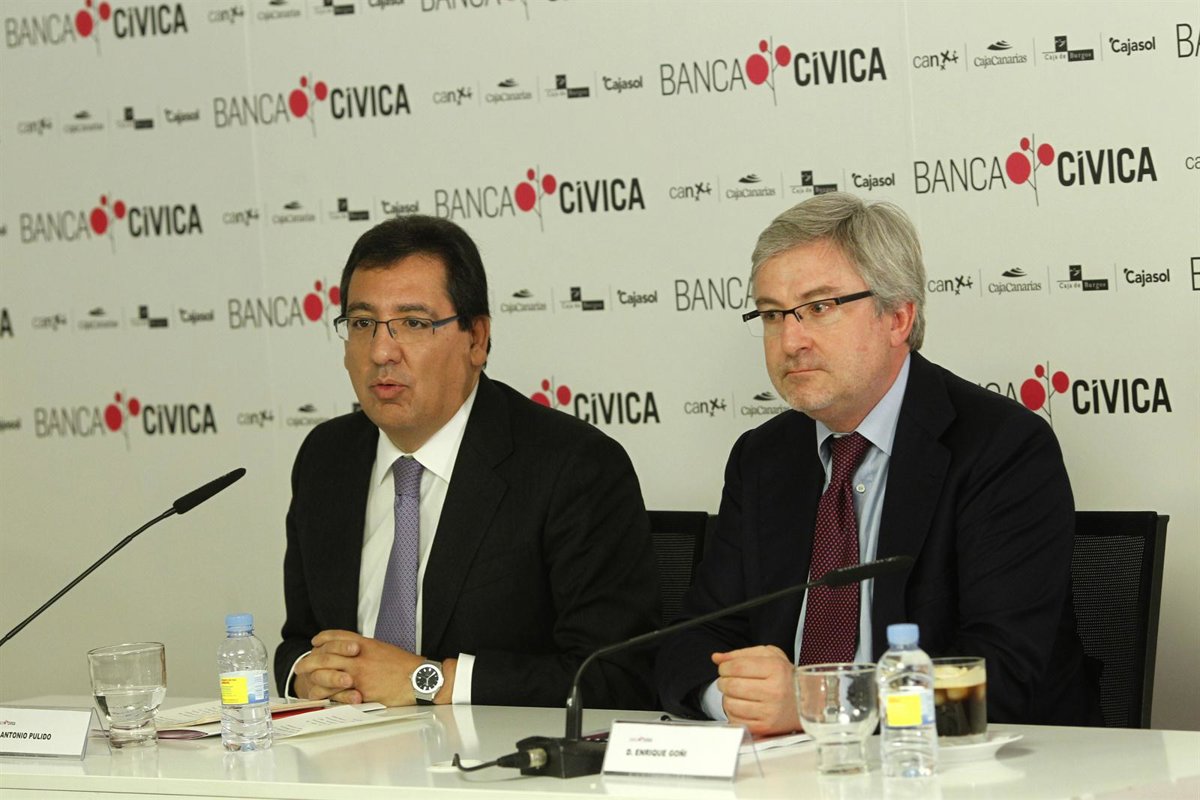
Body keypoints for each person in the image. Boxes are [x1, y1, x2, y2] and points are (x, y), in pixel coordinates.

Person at [655, 192, 1099, 734]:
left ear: (898, 317)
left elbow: (997, 675)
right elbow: (691, 641)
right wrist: (735, 700)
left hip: (961, 765)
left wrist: (823, 706)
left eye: (820, 307)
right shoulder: (763, 458)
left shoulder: (1002, 448)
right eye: (772, 314)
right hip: (788, 763)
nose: (791, 340)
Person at [276, 214, 658, 709]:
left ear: (476, 339)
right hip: (348, 749)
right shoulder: (327, 458)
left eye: (413, 323)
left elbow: (614, 676)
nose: (381, 351)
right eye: (362, 323)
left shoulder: (572, 467)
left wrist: (429, 681)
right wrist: (306, 675)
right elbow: (299, 640)